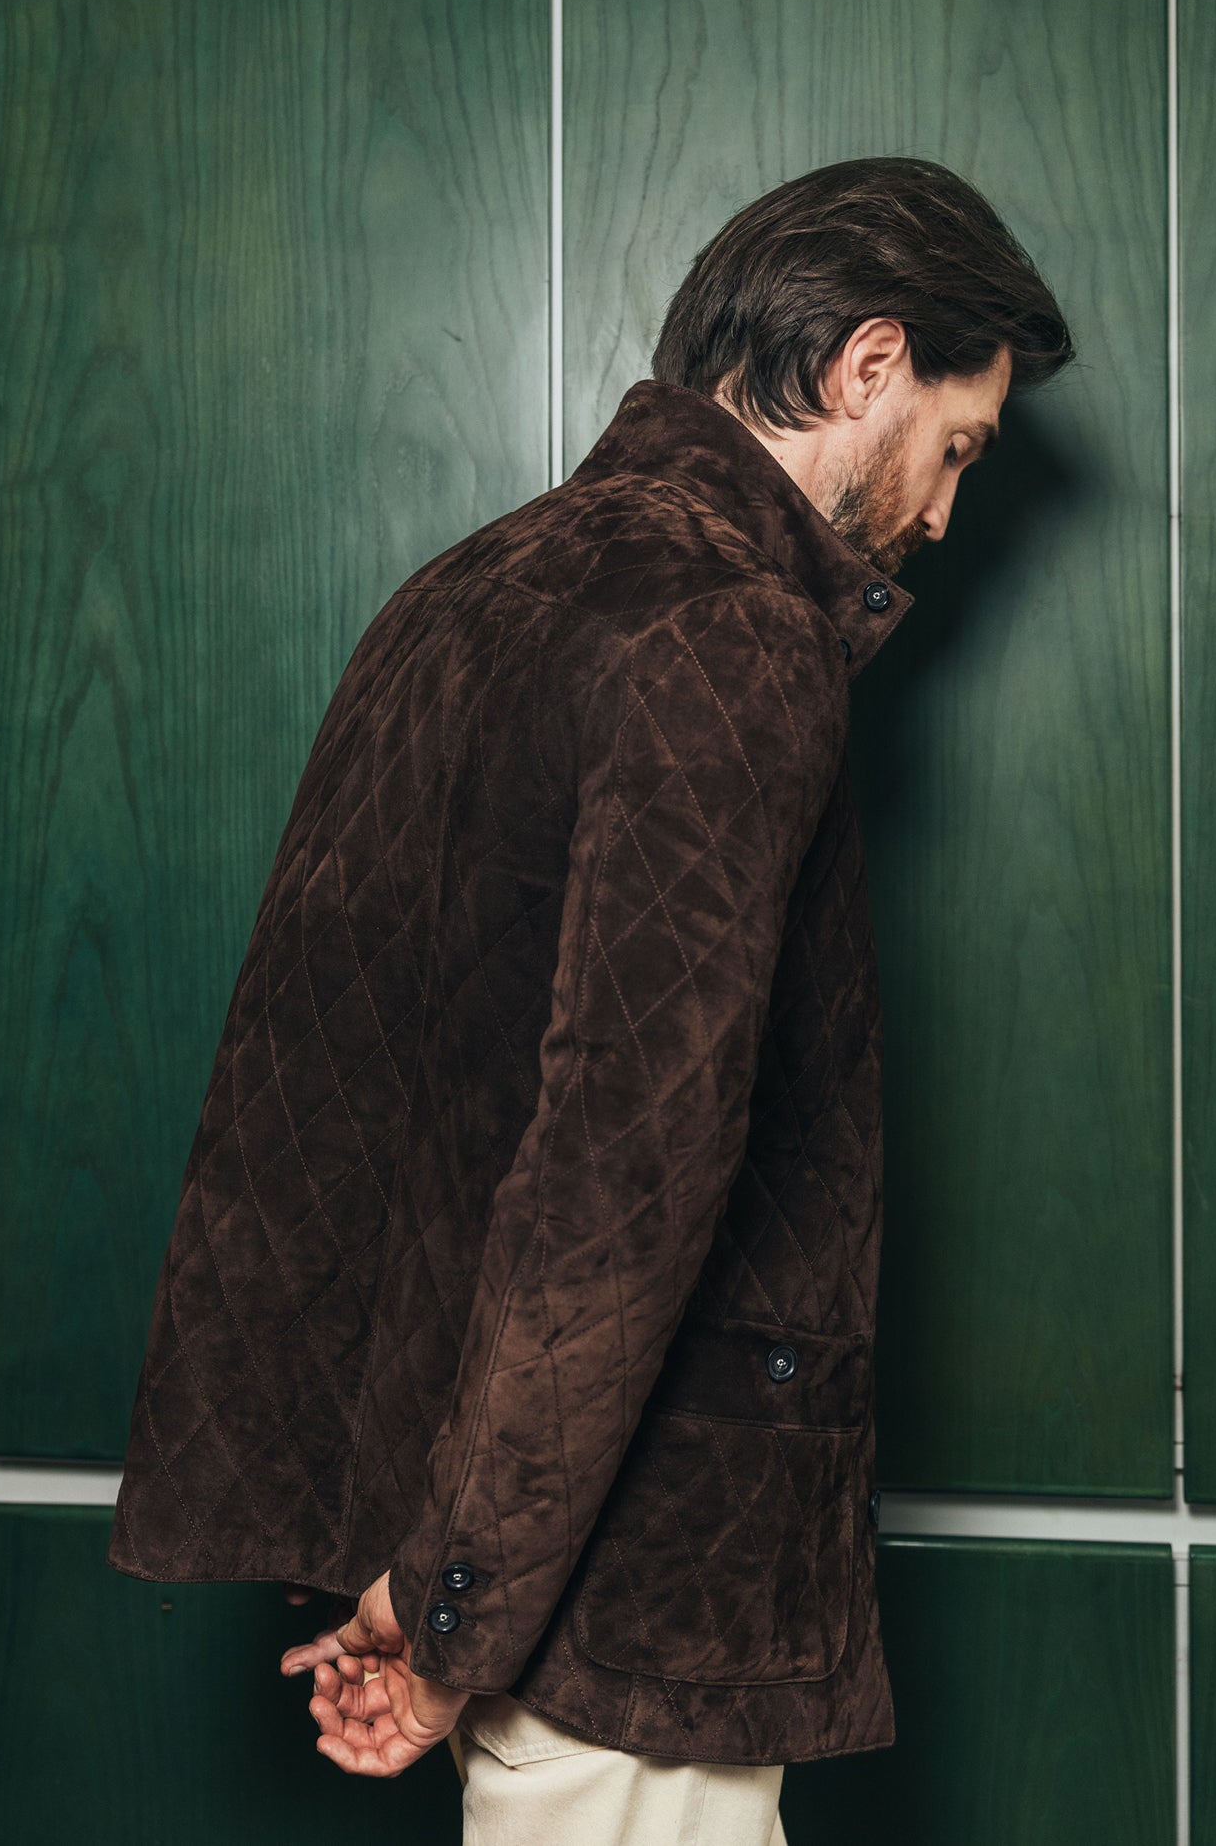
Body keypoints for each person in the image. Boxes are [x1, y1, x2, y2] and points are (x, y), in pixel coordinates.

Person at [108, 155, 1073, 1845]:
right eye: (957, 446)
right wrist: (454, 1597)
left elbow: (322, 1121)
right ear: (867, 364)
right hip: (632, 1597)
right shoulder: (733, 636)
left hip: (497, 1550)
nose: (938, 515)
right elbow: (618, 1185)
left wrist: (430, 1579)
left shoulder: (464, 592)